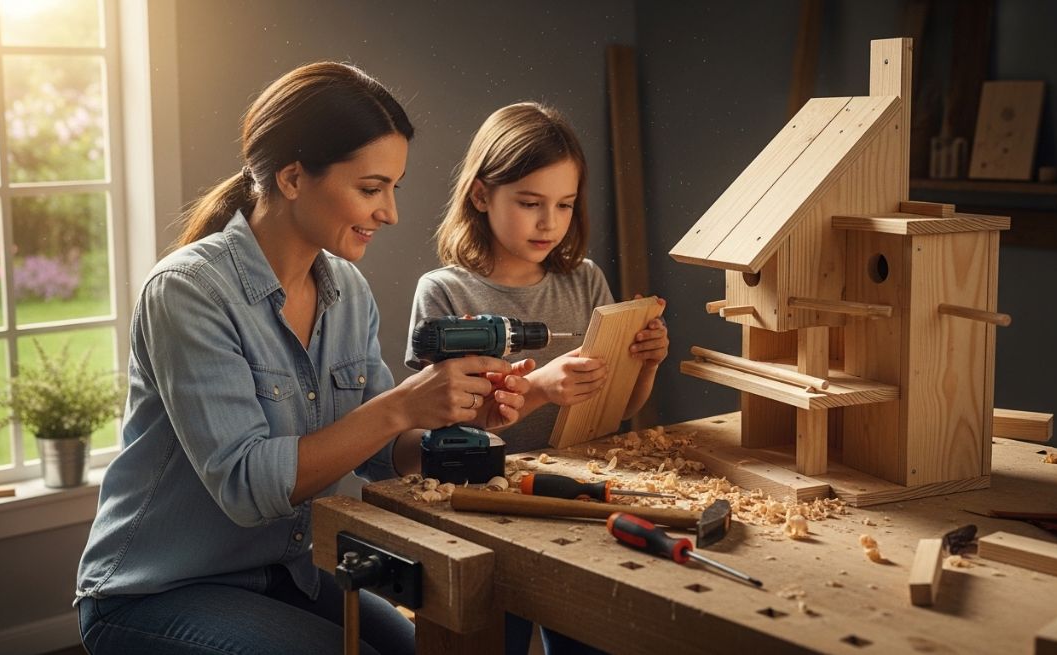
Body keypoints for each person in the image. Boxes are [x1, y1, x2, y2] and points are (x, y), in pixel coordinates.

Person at [75, 62, 531, 655]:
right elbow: (247, 486)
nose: (390, 213)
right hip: (158, 590)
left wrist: (456, 422)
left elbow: (378, 453)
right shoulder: (188, 291)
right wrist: (401, 406)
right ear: (292, 177)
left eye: (393, 188)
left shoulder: (348, 290)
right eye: (370, 189)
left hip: (289, 573)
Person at [404, 102, 669, 655]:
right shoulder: (445, 292)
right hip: (484, 507)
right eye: (530, 203)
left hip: (574, 499)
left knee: (587, 638)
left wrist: (643, 363)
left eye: (564, 204)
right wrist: (541, 390)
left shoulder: (585, 281)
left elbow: (617, 409)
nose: (550, 222)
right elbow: (441, 432)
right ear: (481, 196)